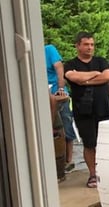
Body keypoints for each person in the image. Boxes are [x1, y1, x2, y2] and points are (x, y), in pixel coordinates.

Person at [64, 32, 109, 189]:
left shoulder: (101, 61)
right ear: (78, 45)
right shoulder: (70, 64)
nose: (90, 48)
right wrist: (94, 75)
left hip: (104, 108)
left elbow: (107, 76)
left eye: (92, 44)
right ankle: (93, 174)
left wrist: (84, 80)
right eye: (86, 44)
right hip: (83, 111)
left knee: (106, 143)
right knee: (89, 143)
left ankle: (107, 173)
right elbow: (73, 77)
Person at [45, 44, 76, 174]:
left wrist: (61, 90)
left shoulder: (49, 49)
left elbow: (59, 69)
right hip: (43, 97)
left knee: (65, 125)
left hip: (57, 94)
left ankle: (68, 161)